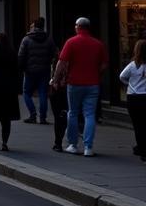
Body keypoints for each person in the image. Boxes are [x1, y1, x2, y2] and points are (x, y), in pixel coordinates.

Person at [57, 17, 108, 157]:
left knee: (73, 112)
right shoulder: (98, 44)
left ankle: (73, 145)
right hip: (92, 83)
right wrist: (96, 73)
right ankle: (88, 147)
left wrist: (56, 79)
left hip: (74, 83)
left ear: (78, 27)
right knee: (89, 114)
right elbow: (104, 65)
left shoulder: (71, 42)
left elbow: (61, 63)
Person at [17, 17, 57, 124]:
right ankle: (43, 117)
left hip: (29, 70)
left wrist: (21, 68)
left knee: (26, 92)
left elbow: (21, 56)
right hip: (44, 70)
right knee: (43, 93)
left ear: (34, 25)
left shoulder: (26, 39)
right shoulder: (48, 39)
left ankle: (33, 114)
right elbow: (55, 54)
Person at [119, 38, 146, 163]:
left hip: (133, 96)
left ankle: (141, 148)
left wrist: (130, 85)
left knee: (137, 124)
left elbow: (122, 76)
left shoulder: (133, 65)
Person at [48, 54, 69, 152]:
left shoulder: (56, 60)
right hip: (68, 89)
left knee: (58, 117)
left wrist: (54, 81)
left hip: (57, 90)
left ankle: (58, 142)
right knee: (67, 115)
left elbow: (53, 74)